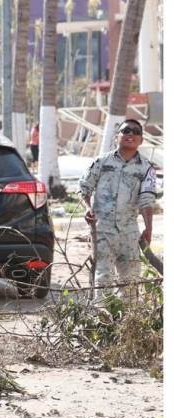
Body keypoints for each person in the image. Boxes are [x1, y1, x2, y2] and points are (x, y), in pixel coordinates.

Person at [79, 119, 157, 296]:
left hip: (129, 232)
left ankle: (126, 322)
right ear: (117, 137)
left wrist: (149, 227)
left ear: (141, 140)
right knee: (102, 279)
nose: (131, 134)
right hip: (102, 230)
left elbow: (147, 199)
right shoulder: (101, 161)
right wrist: (87, 207)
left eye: (136, 131)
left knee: (129, 281)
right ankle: (102, 320)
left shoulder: (146, 168)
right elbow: (85, 187)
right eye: (126, 130)